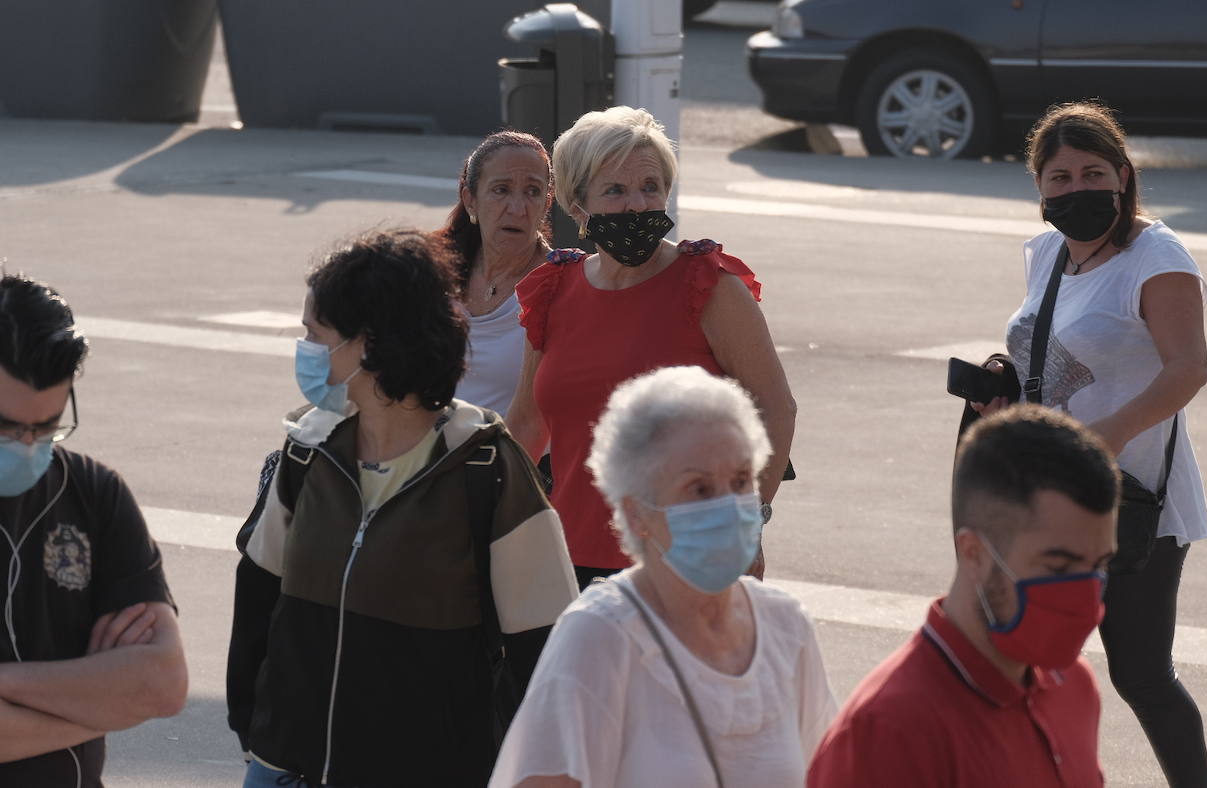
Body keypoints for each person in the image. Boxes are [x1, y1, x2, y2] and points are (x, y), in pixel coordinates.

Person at [226, 229, 577, 788]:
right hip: (285, 768)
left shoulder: (488, 468)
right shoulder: (306, 452)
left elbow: (546, 647)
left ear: (367, 345)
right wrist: (258, 736)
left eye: (315, 335)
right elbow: (258, 599)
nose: (306, 350)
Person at [974, 101, 1207, 786]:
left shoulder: (1157, 257)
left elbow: (1189, 368)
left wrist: (1107, 437)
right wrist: (1004, 383)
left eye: (1092, 173)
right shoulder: (1049, 253)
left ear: (1123, 176)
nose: (1077, 189)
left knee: (1140, 675)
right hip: (1044, 501)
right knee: (1017, 664)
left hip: (1129, 500)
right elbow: (1046, 354)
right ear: (1040, 188)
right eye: (1059, 178)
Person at [491, 366, 836, 788]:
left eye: (741, 480)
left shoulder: (786, 625)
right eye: (699, 489)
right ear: (637, 513)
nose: (729, 506)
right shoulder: (599, 635)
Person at [507, 106, 796, 589]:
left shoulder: (708, 285)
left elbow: (775, 407)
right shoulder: (554, 289)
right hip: (564, 557)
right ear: (578, 206)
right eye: (615, 191)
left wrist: (747, 525)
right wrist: (498, 524)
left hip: (688, 560)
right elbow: (526, 422)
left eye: (651, 187)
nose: (638, 205)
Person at [808, 405, 1119, 787]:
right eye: (1057, 567)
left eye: (1099, 565)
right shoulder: (889, 730)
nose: (1086, 594)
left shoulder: (1075, 686)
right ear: (973, 552)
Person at [0, 273, 187, 786]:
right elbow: (136, 698)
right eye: (7, 426)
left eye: (46, 427)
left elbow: (162, 685)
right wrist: (101, 702)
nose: (27, 444)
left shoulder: (94, 492)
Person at [437, 130, 553, 418]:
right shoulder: (435, 271)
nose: (517, 208)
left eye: (533, 192)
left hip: (515, 460)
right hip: (431, 457)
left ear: (547, 204)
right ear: (470, 199)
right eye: (501, 190)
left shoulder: (560, 284)